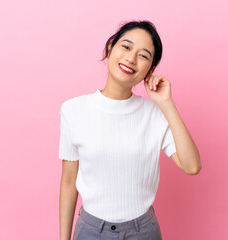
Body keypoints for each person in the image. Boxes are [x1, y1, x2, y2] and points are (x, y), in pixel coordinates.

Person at [59, 20, 201, 240]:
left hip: (143, 232)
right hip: (90, 231)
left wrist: (167, 103)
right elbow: (69, 182)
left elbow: (192, 166)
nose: (131, 58)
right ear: (110, 48)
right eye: (126, 47)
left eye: (143, 55)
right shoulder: (73, 110)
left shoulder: (155, 114)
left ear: (150, 70)